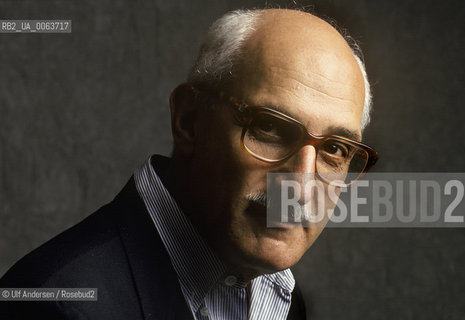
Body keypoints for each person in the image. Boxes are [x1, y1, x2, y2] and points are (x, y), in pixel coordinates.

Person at [0, 8, 378, 319]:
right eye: (270, 127)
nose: (301, 185)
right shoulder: (57, 306)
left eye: (335, 149)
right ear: (189, 121)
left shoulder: (280, 301)